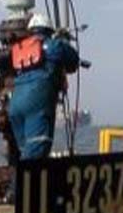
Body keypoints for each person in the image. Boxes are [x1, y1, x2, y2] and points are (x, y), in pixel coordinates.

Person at [8, 13, 80, 160]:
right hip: (37, 103)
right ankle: (27, 182)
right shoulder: (53, 45)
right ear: (49, 30)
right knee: (36, 155)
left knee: (25, 152)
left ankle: (19, 180)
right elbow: (73, 60)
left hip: (15, 105)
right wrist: (63, 41)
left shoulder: (19, 50)